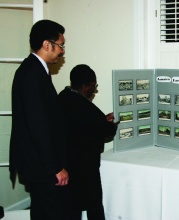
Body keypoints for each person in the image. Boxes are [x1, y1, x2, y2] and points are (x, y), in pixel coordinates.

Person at [9, 20, 73, 219]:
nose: (62, 51)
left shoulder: (34, 70)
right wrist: (55, 168)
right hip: (42, 166)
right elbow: (38, 127)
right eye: (60, 46)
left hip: (38, 164)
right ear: (47, 44)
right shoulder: (33, 75)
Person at [58, 64, 119, 220]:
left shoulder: (61, 98)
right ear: (85, 86)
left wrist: (102, 120)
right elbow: (105, 130)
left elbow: (85, 125)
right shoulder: (85, 107)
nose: (94, 89)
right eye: (94, 85)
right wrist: (111, 123)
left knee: (72, 207)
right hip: (85, 167)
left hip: (67, 164)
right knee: (94, 206)